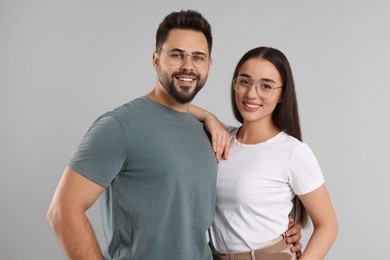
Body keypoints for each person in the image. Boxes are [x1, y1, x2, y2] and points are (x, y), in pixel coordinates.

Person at [47, 10, 302, 260]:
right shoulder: (118, 126)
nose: (188, 67)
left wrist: (280, 229)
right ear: (156, 59)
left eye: (198, 57)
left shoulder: (214, 134)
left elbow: (242, 200)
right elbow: (62, 211)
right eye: (177, 55)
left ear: (209, 65)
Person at [191, 47, 338, 259]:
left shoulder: (293, 152)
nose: (252, 93)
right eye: (244, 81)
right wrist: (208, 116)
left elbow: (328, 225)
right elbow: (170, 104)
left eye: (266, 86)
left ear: (282, 95)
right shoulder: (220, 138)